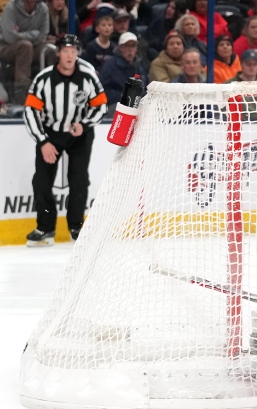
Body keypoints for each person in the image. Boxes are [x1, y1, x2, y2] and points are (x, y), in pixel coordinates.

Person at [23, 34, 108, 246]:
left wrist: (85, 124)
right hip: (51, 134)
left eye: (73, 51)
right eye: (65, 51)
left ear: (77, 53)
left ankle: (76, 225)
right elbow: (30, 110)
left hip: (79, 135)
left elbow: (101, 105)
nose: (70, 55)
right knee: (41, 181)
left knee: (79, 180)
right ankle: (45, 227)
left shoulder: (88, 76)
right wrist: (43, 141)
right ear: (58, 53)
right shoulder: (43, 79)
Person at [0, 0, 55, 105]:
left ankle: (52, 89)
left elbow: (43, 34)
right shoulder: (11, 7)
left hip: (32, 45)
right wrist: (34, 33)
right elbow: (10, 37)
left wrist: (21, 34)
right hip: (5, 47)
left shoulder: (43, 8)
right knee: (25, 46)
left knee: (50, 48)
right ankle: (21, 97)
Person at [99, 32, 147, 105]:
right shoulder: (110, 65)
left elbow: (145, 86)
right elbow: (103, 90)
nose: (130, 50)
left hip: (138, 104)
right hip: (116, 104)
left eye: (133, 46)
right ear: (120, 48)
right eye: (127, 46)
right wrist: (124, 97)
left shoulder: (140, 64)